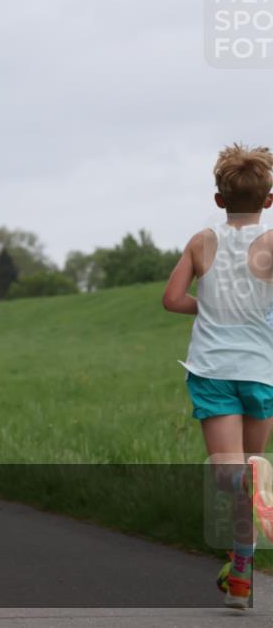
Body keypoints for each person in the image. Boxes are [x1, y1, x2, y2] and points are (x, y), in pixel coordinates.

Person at [162, 142, 273, 610]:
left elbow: (171, 299)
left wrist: (209, 308)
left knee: (229, 474)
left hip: (212, 370)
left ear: (219, 200)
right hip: (261, 371)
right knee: (252, 465)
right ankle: (244, 569)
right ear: (269, 200)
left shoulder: (200, 241)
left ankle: (243, 564)